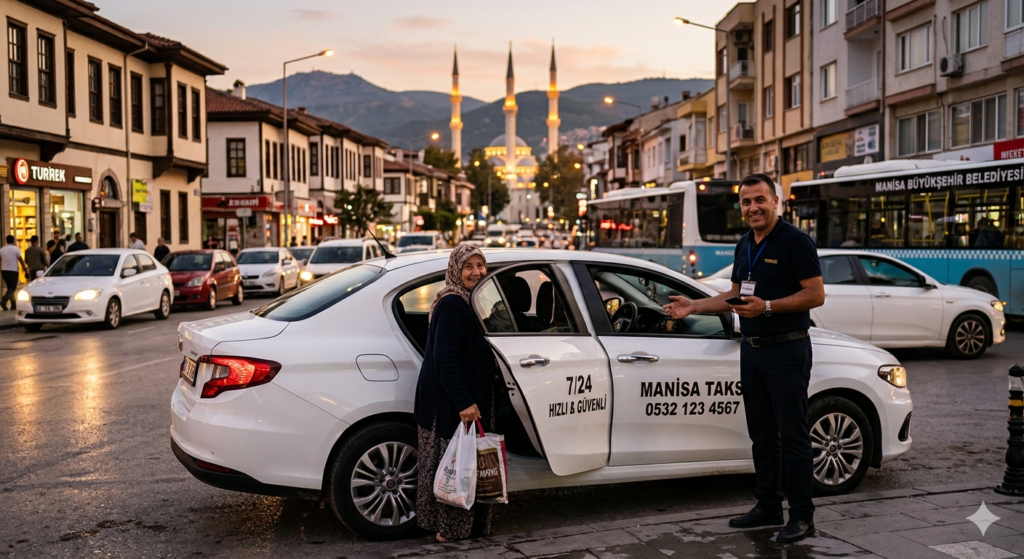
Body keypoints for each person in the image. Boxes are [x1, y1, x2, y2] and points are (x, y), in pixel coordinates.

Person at [663, 173, 824, 544]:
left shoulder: (795, 241)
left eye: (760, 200)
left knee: (793, 437)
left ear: (775, 201)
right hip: (752, 350)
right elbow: (734, 295)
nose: (753, 208)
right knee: (762, 436)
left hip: (787, 349)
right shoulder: (744, 244)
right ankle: (768, 506)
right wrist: (694, 306)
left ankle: (802, 516)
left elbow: (815, 294)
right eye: (746, 202)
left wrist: (767, 307)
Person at [413, 244, 496, 543]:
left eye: (480, 265)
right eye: (468, 266)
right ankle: (449, 531)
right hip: (451, 408)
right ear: (455, 270)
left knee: (462, 467)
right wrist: (464, 402)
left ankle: (461, 528)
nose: (476, 272)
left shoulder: (468, 301)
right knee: (457, 468)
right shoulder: (453, 304)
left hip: (457, 404)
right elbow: (444, 359)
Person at [1, 236, 29, 311]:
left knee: (9, 287)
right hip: (13, 271)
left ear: (6, 241)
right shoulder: (16, 249)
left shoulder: (2, 249)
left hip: (4, 270)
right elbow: (21, 260)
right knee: (12, 288)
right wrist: (25, 268)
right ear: (13, 241)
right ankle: (3, 301)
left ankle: (13, 305)